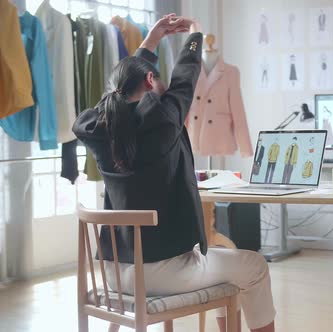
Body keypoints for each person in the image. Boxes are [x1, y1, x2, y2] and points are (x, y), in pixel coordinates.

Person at [72, 14, 276, 332]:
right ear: (152, 81)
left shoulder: (95, 126)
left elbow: (123, 88)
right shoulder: (164, 118)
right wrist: (195, 34)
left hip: (111, 271)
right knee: (253, 266)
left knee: (224, 258)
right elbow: (186, 76)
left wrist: (151, 41)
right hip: (163, 273)